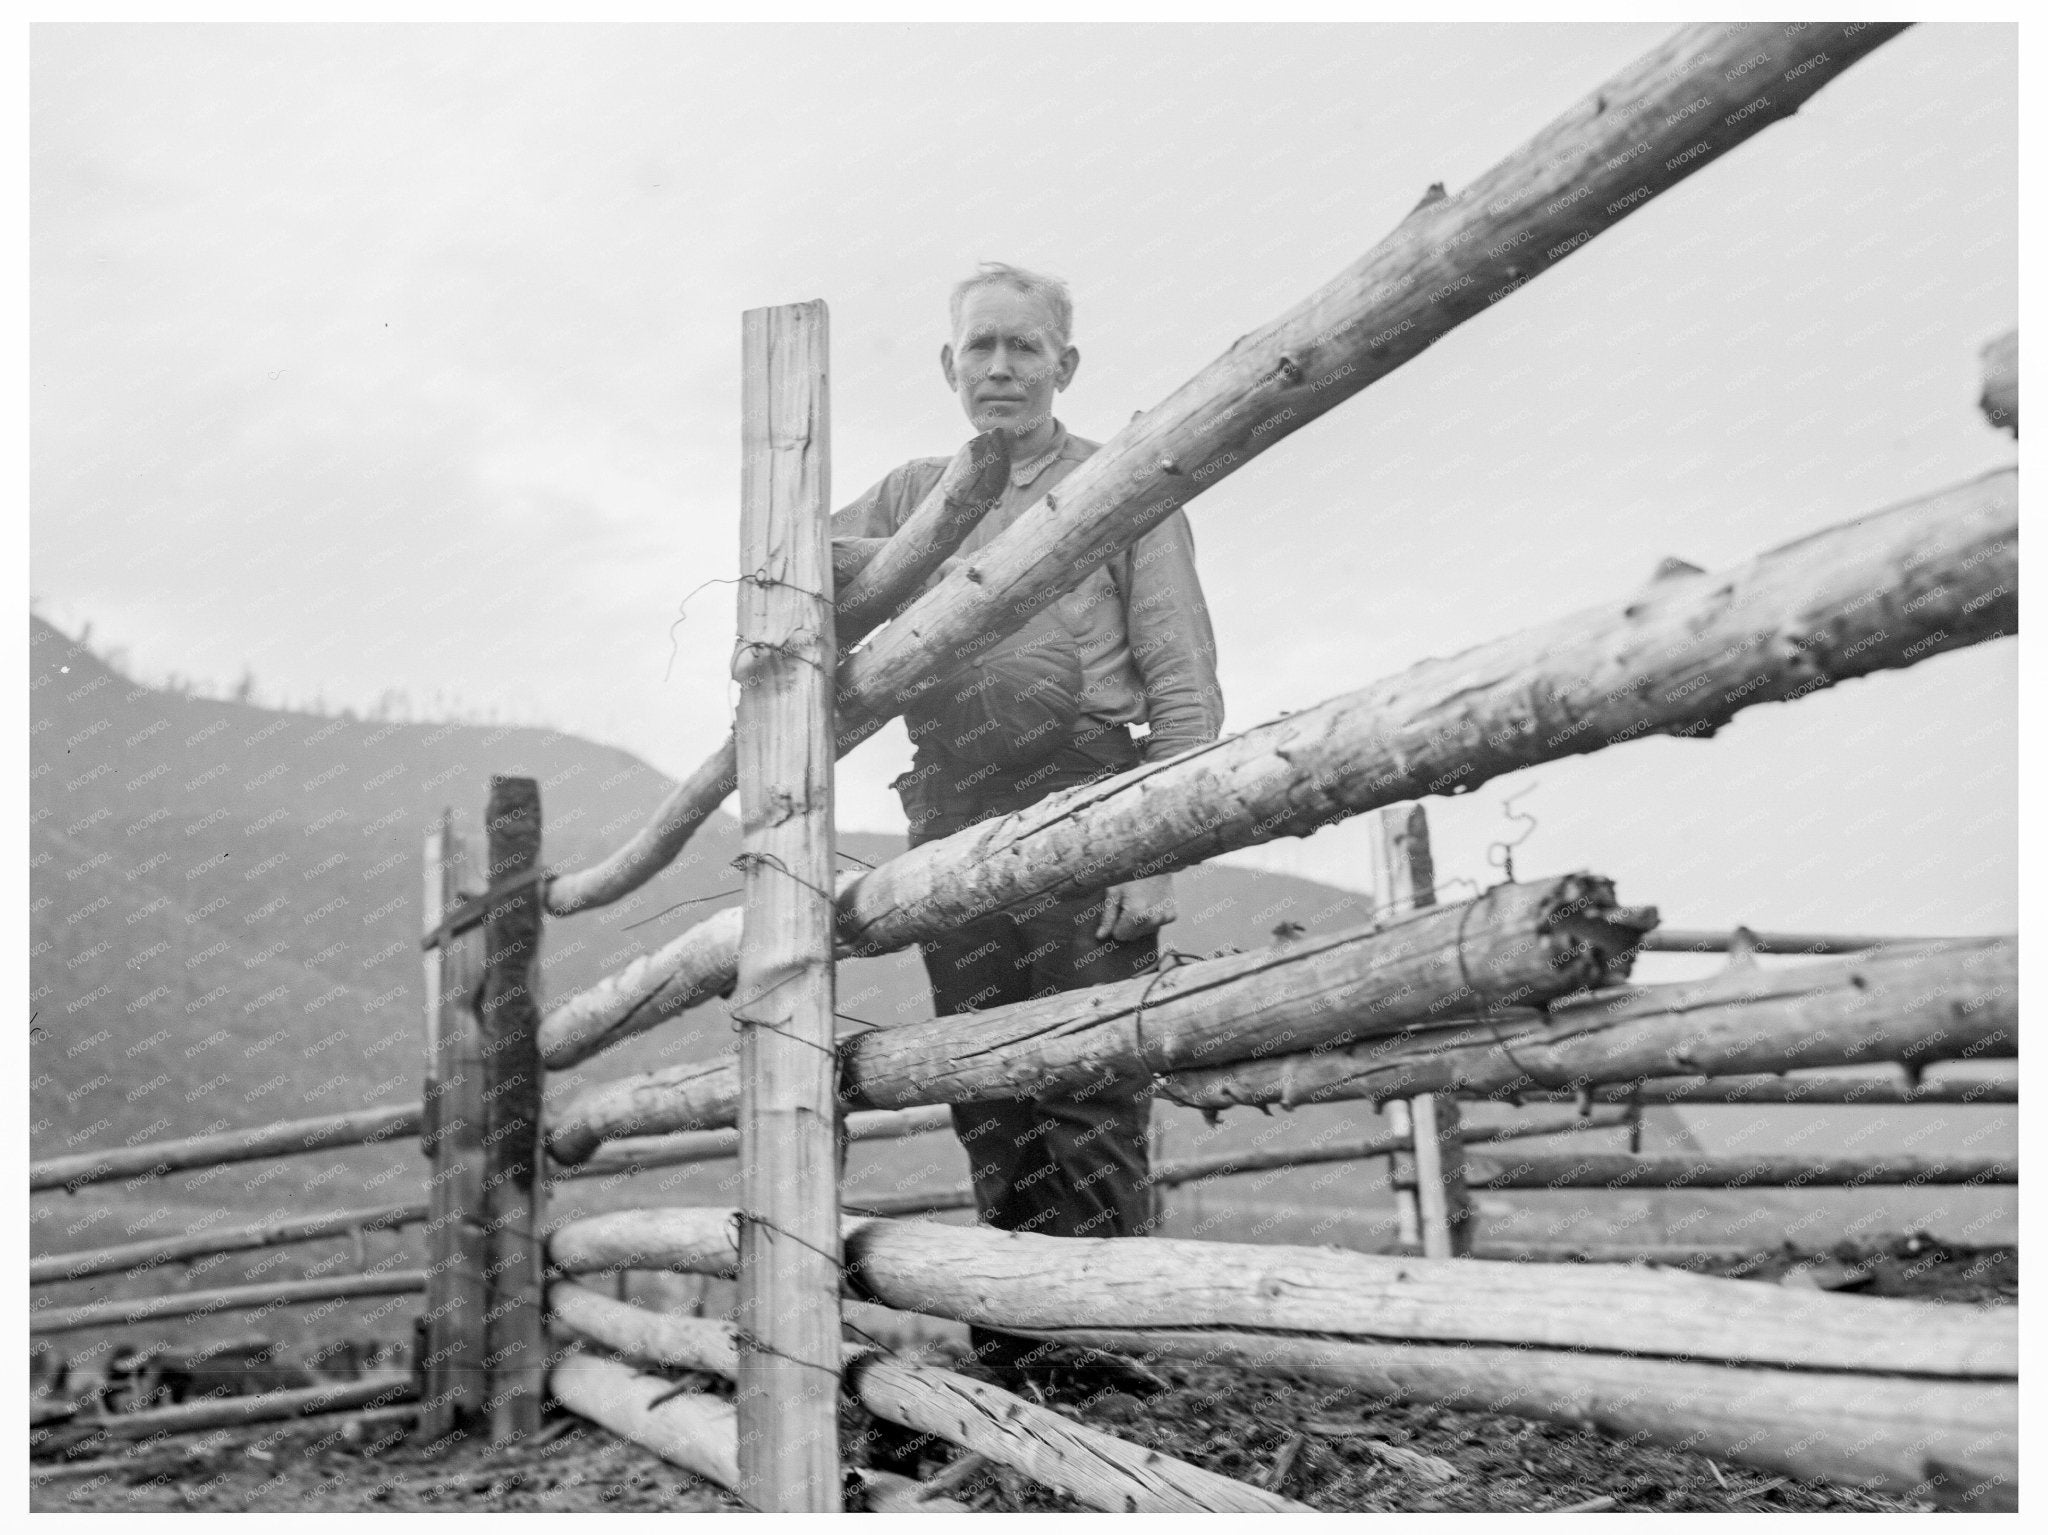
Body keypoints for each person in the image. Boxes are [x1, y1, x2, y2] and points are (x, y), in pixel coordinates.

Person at [831, 262, 1223, 1389]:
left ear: (1065, 362)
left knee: (1088, 1077)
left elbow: (1183, 686)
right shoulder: (911, 494)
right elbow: (802, 563)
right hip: (950, 808)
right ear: (947, 364)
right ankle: (1011, 1345)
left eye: (1023, 346)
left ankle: (1096, 1351)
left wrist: (1153, 850)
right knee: (983, 1076)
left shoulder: (1122, 485)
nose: (999, 367)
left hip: (1087, 796)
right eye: (978, 348)